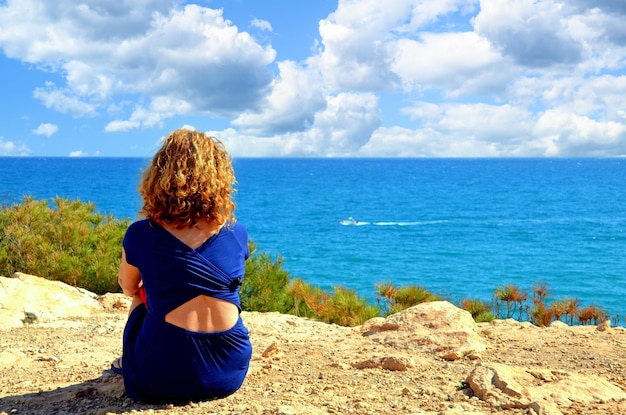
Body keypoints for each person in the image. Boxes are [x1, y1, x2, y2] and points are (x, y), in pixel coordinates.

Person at [110, 128, 252, 403]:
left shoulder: (142, 234)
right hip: (228, 372)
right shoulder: (237, 233)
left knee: (143, 292)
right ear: (220, 179)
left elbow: (128, 287)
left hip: (159, 378)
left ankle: (130, 359)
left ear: (159, 177)